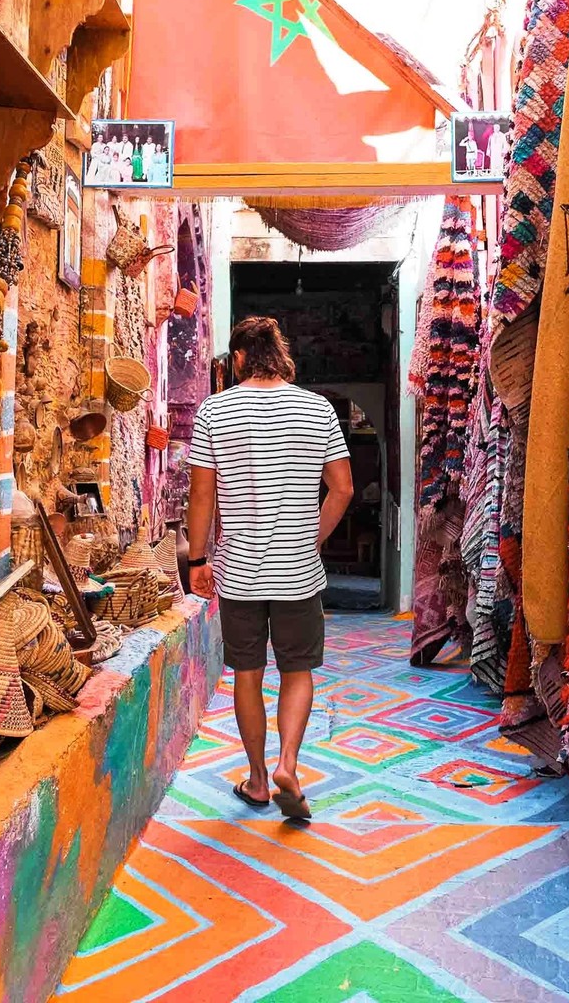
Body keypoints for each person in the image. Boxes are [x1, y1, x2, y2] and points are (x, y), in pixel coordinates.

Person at [187, 317, 354, 819]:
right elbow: (343, 488)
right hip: (299, 573)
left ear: (239, 358)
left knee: (247, 673)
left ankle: (258, 781)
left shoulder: (214, 410)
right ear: (279, 355)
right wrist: (312, 538)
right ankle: (288, 764)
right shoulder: (317, 408)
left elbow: (201, 494)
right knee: (297, 669)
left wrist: (197, 560)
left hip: (238, 571)